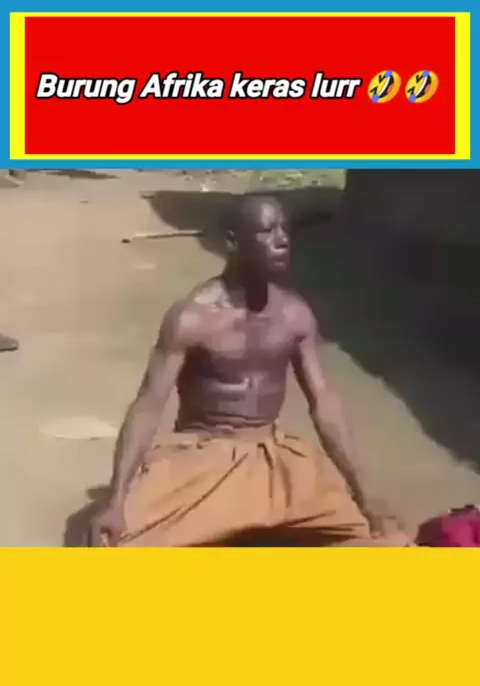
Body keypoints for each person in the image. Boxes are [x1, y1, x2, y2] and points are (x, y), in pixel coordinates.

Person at [90, 194, 382, 548]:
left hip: (273, 456)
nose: (282, 240)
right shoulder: (192, 318)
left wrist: (364, 494)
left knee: (377, 537)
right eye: (267, 231)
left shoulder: (295, 314)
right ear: (232, 241)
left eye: (284, 229)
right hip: (203, 458)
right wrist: (116, 499)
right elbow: (148, 406)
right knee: (116, 545)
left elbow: (325, 404)